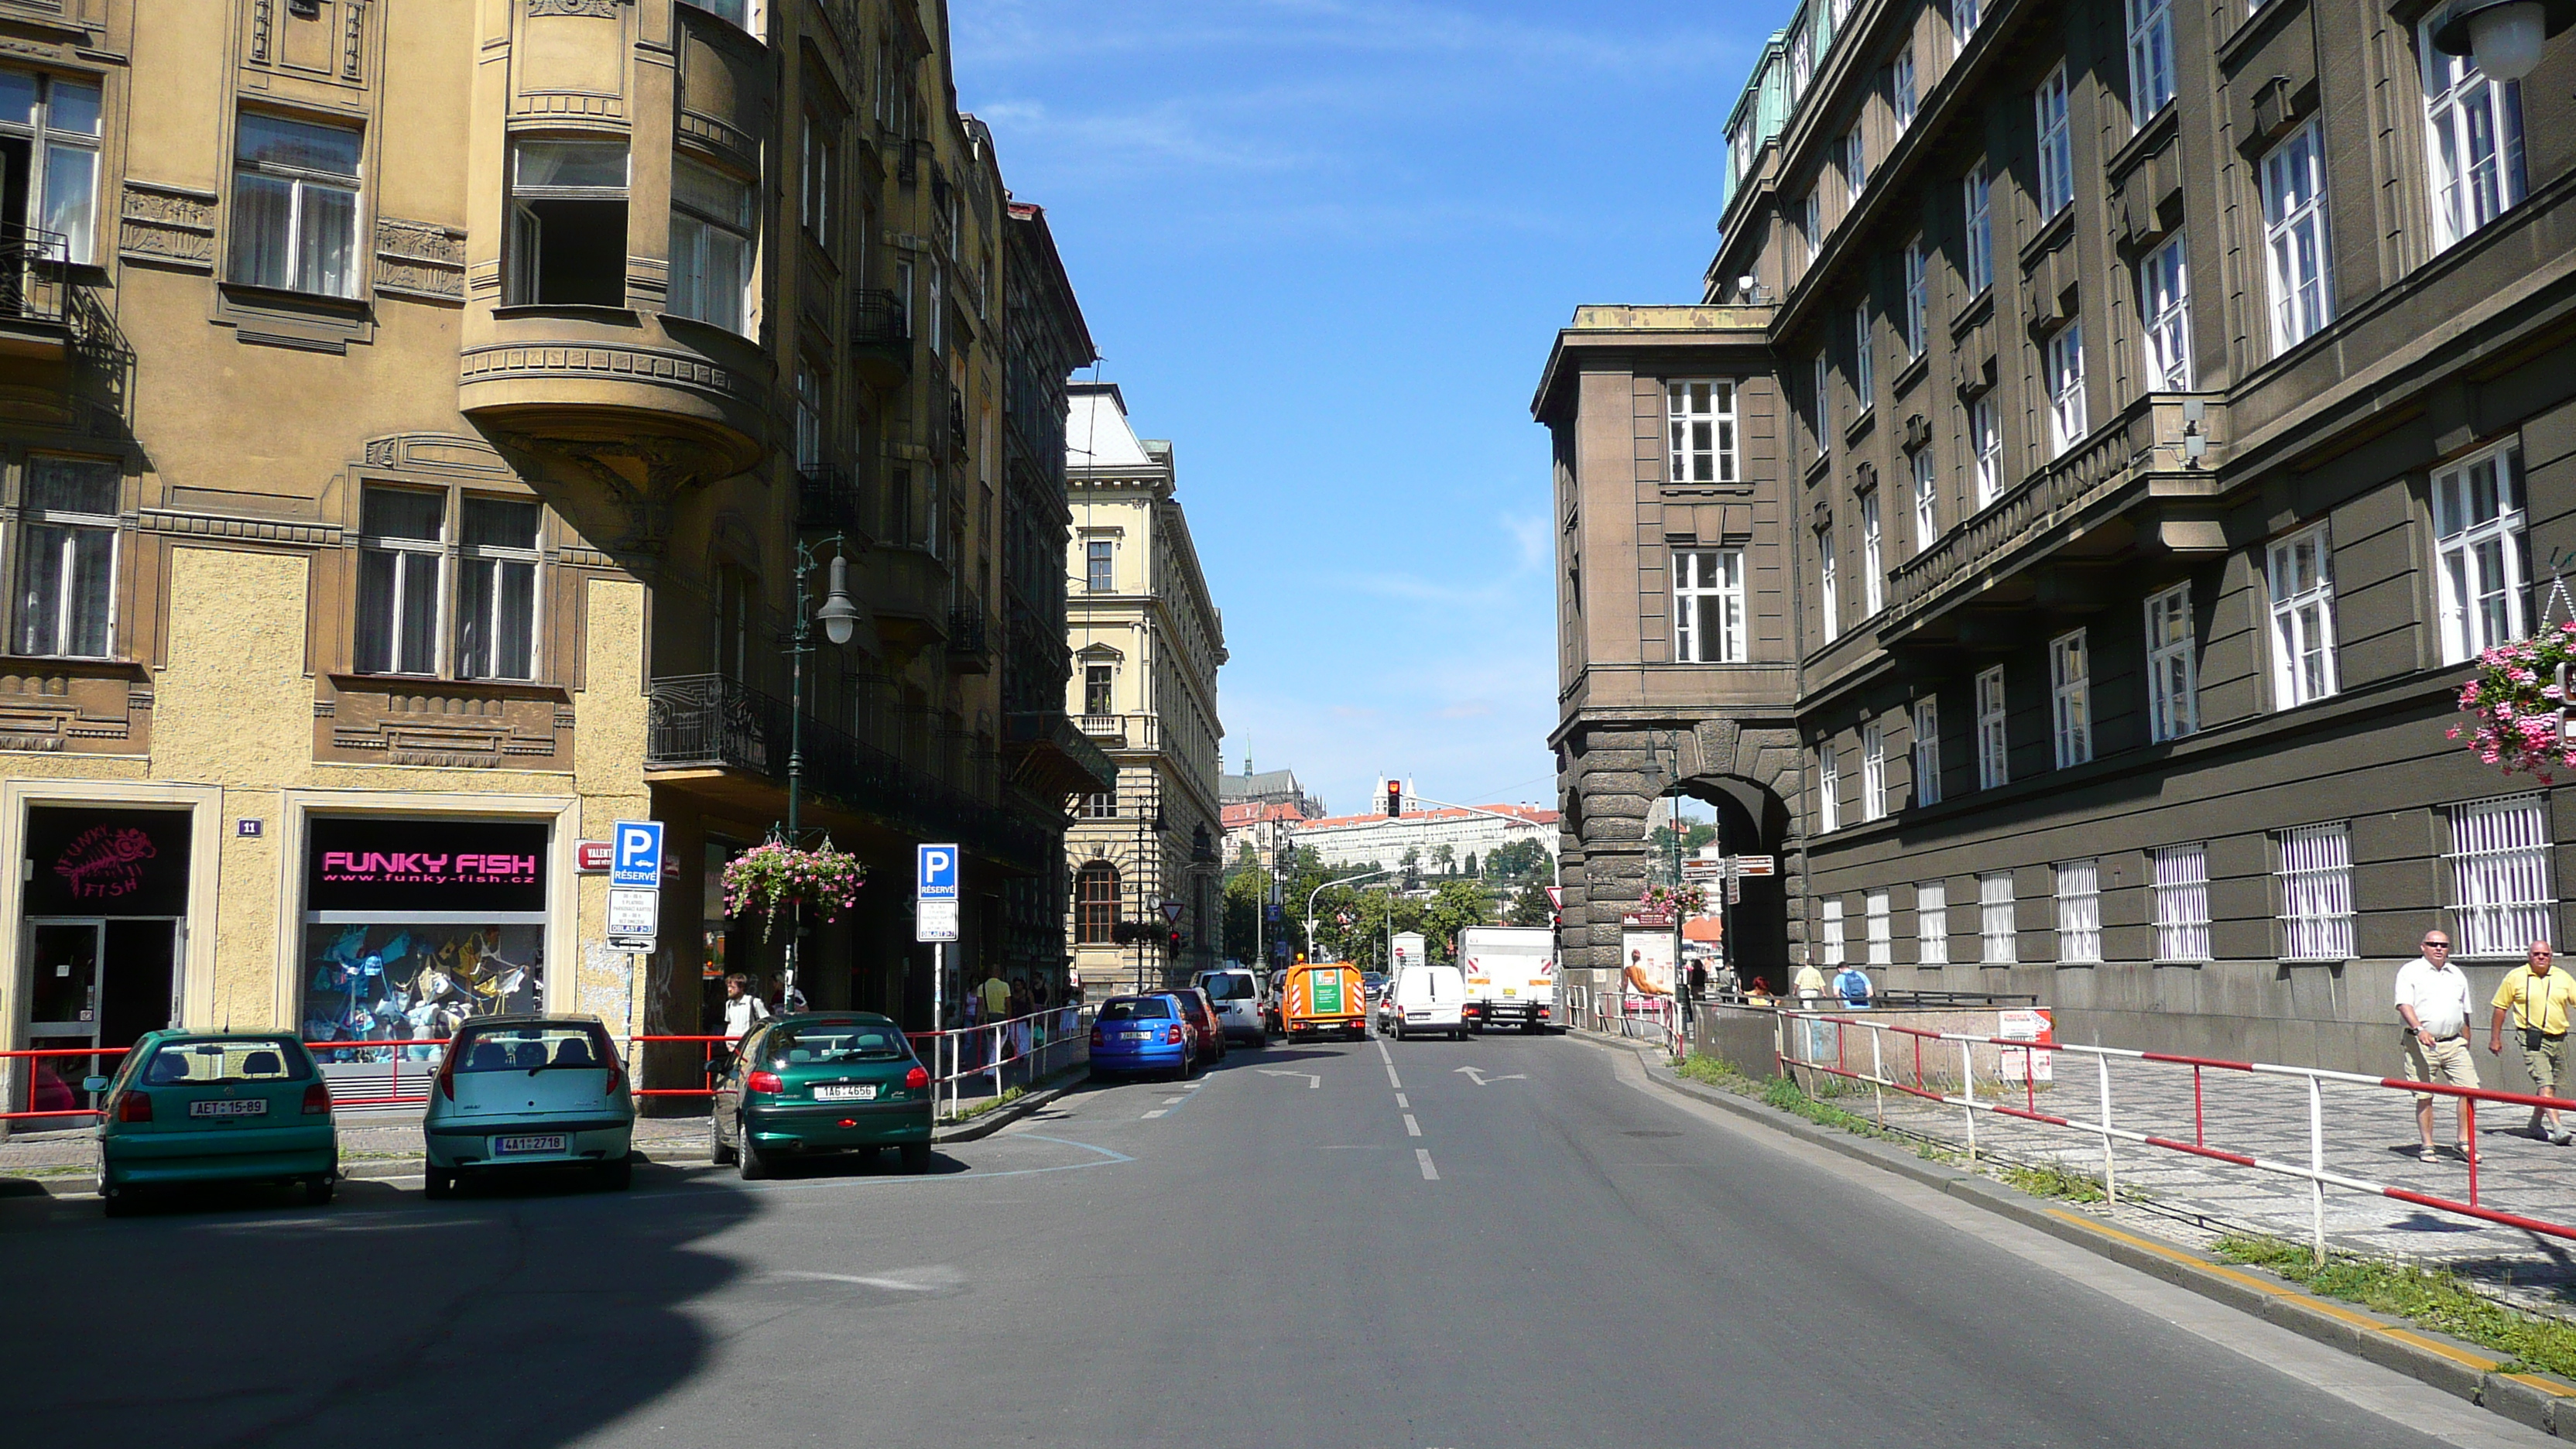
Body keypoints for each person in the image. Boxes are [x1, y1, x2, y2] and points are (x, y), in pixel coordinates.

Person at [2396, 929, 2479, 1163]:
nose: (2438, 948)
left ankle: (2464, 1142)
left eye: (2443, 945)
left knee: (2470, 1090)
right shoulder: (2410, 971)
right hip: (2421, 1042)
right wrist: (2419, 1029)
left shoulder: (2456, 974)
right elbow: (2403, 1004)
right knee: (2425, 1094)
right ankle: (2428, 1145)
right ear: (2423, 946)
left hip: (2454, 1042)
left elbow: (2465, 1011)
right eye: (2433, 944)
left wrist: (2466, 1039)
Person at [2489, 939, 2576, 1144]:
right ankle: (2558, 1128)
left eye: (2545, 954)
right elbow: (2500, 1008)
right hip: (2532, 1038)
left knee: (2551, 1085)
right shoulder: (2516, 977)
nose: (2541, 958)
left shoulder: (2562, 977)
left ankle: (2535, 1124)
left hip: (2559, 1037)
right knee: (2544, 1081)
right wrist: (2495, 1038)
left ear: (2551, 956)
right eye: (2537, 954)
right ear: (2529, 956)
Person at [721, 973, 769, 1043]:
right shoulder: (729, 1004)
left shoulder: (754, 1002)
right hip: (733, 1045)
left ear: (742, 987)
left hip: (749, 1044)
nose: (729, 990)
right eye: (728, 987)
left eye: (733, 987)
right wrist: (727, 1040)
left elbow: (767, 1022)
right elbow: (729, 1023)